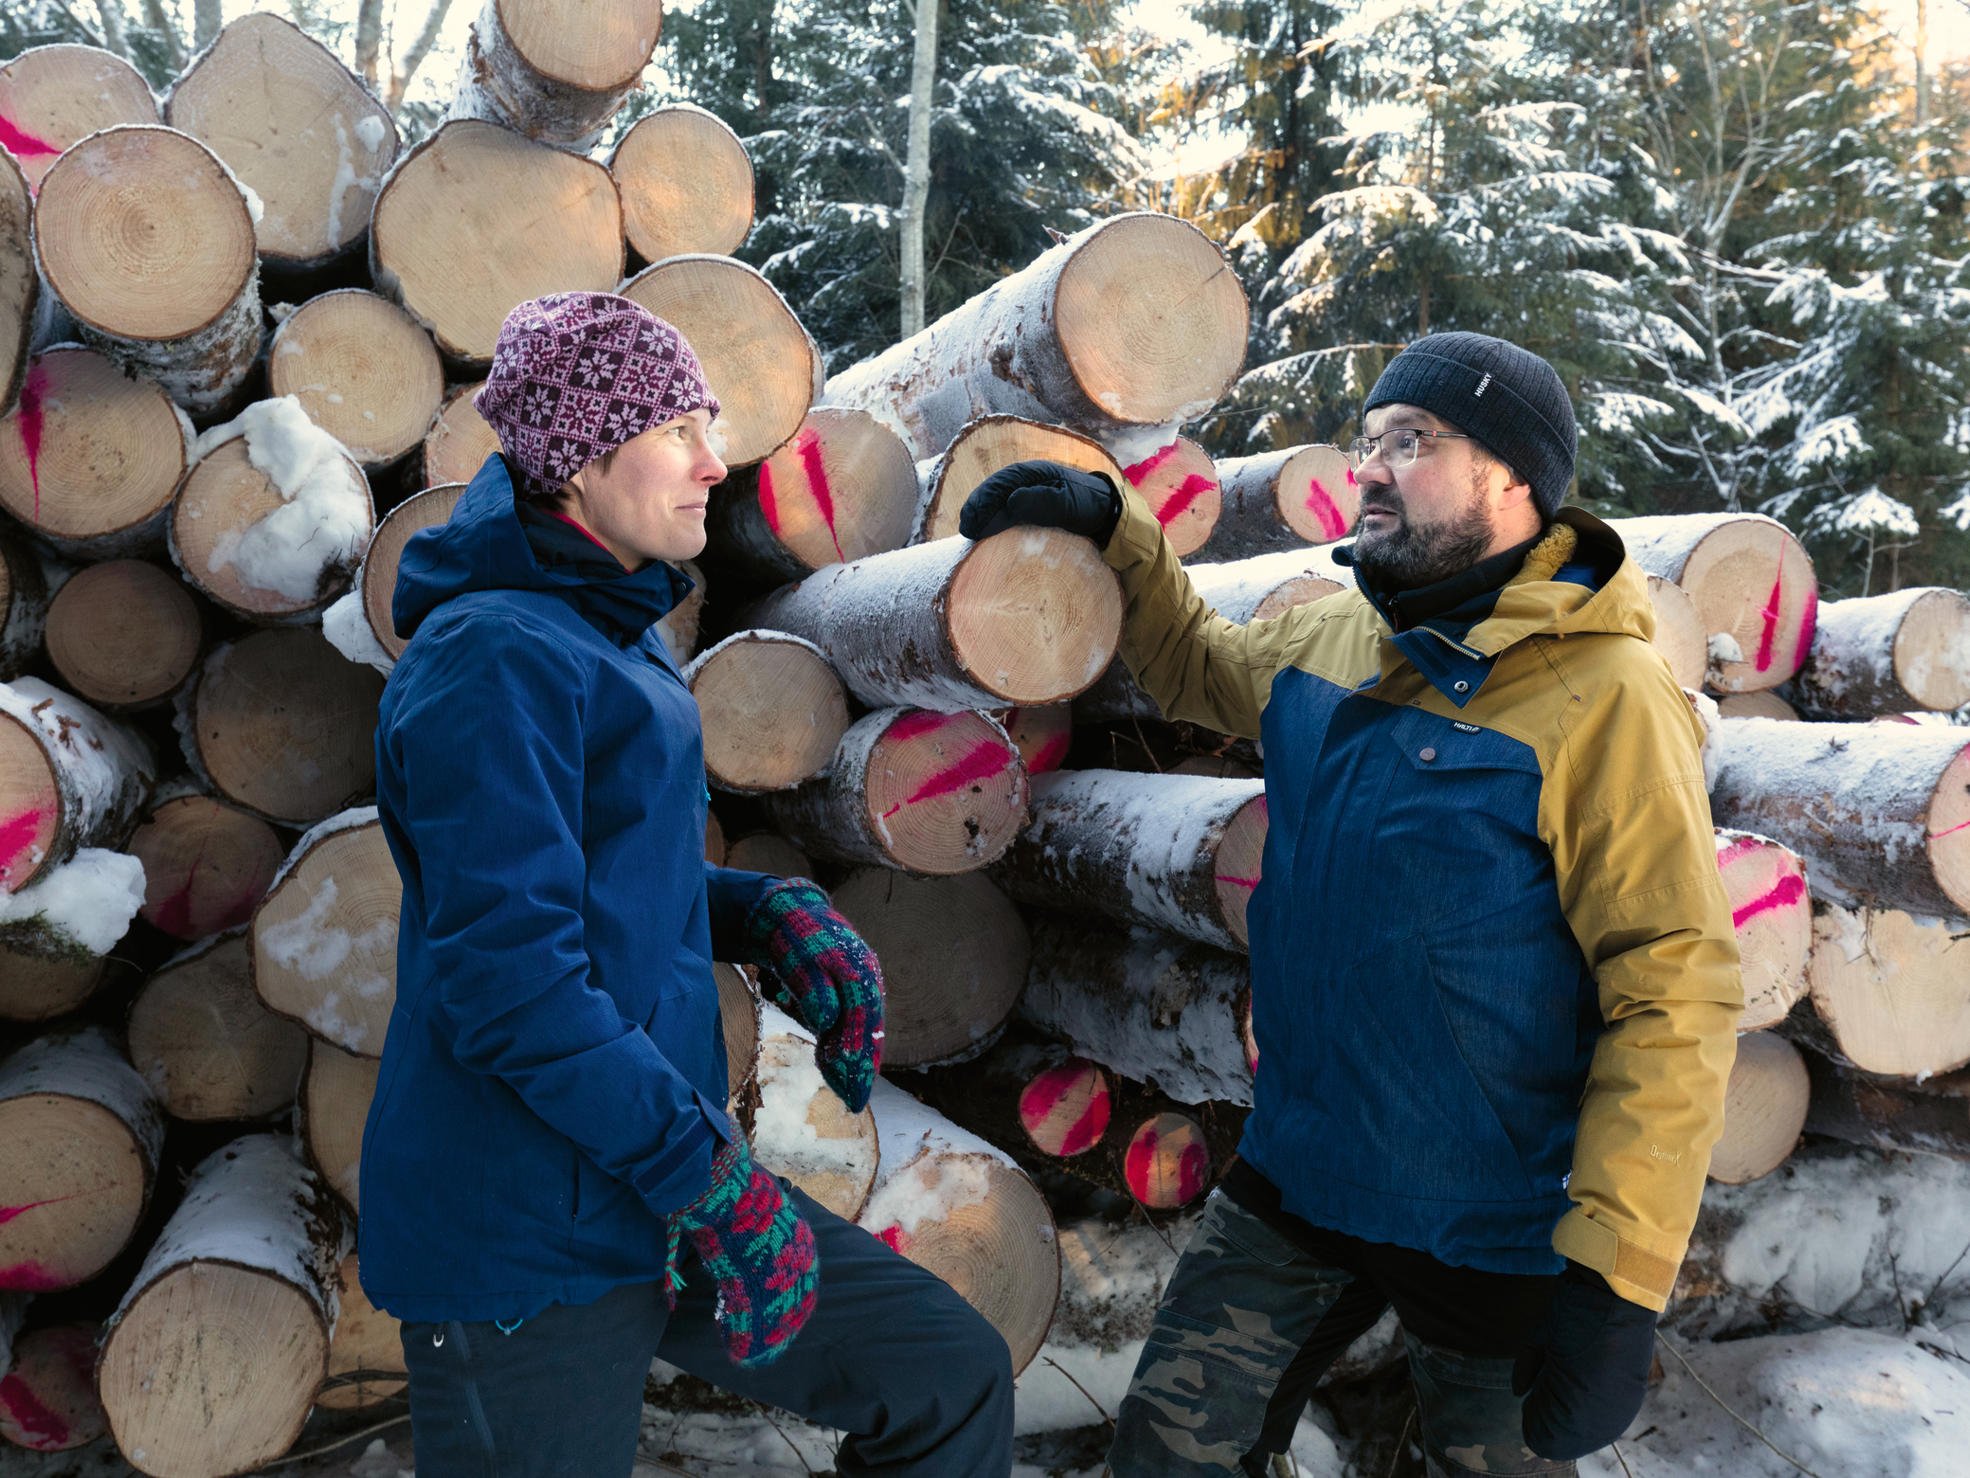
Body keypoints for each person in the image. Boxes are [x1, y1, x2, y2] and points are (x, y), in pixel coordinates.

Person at [961, 331, 1743, 1477]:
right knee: (1164, 1456)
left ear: (1513, 477)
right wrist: (1111, 520)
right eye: (1366, 439)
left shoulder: (1604, 696)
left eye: (1411, 441)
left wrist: (1616, 1275)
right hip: (1302, 1177)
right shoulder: (1340, 631)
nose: (1369, 467)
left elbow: (1671, 981)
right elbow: (1195, 666)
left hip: (1496, 1223)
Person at [358, 292, 1013, 1477]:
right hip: (526, 1230)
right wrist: (704, 1175)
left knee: (941, 1371)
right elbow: (509, 980)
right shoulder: (491, 657)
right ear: (577, 459)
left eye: (709, 425)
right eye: (676, 431)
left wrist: (756, 908)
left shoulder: (601, 635)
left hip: (639, 1180)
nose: (716, 463)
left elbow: (594, 872)